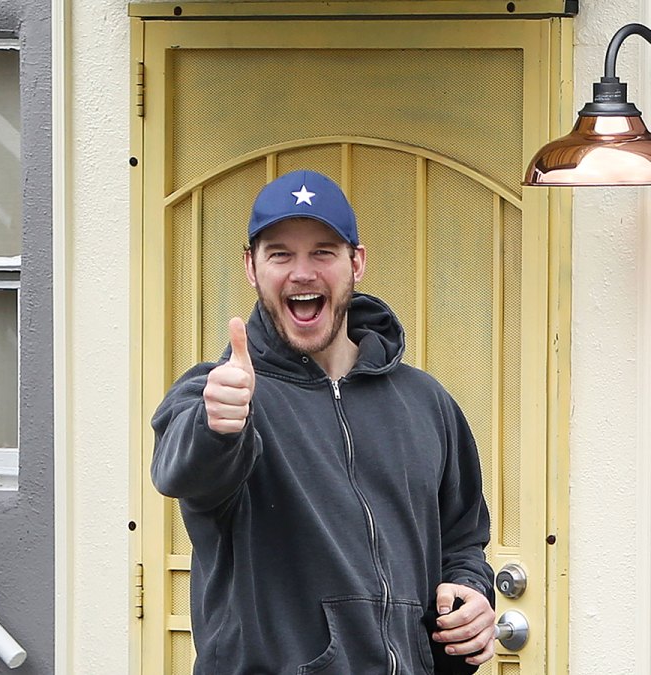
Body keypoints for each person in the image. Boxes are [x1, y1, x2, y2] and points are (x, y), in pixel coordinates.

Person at [151, 170, 496, 674]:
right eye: (280, 254)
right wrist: (218, 426)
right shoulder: (221, 394)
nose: (302, 272)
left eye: (323, 252)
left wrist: (471, 593)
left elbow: (462, 539)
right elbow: (182, 472)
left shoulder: (426, 402)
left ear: (357, 262)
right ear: (251, 268)